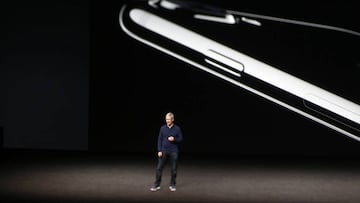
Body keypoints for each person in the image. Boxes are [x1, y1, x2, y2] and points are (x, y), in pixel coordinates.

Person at [150, 112, 183, 192]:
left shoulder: (177, 129)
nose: (167, 121)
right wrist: (159, 150)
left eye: (169, 119)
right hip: (164, 151)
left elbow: (181, 139)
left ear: (172, 119)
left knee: (174, 169)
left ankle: (172, 184)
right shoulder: (162, 128)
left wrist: (174, 139)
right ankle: (157, 185)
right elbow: (159, 139)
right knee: (159, 168)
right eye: (166, 119)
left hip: (173, 151)